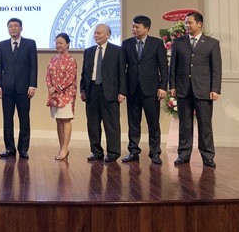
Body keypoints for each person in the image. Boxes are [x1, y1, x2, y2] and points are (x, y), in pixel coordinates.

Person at [169, 12, 222, 168]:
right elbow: (173, 66)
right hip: (183, 90)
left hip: (204, 90)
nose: (187, 25)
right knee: (184, 124)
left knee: (205, 124)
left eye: (190, 23)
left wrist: (215, 89)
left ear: (199, 24)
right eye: (186, 23)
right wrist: (172, 86)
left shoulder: (212, 43)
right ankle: (183, 155)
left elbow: (216, 68)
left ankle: (207, 156)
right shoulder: (179, 42)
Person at [121, 15, 168, 165]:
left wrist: (163, 86)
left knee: (153, 122)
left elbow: (163, 67)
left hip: (151, 89)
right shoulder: (126, 44)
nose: (133, 29)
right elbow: (122, 69)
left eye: (137, 27)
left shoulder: (157, 43)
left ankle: (155, 152)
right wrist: (122, 89)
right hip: (133, 88)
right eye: (133, 26)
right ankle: (133, 151)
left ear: (146, 28)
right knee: (133, 122)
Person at [80, 24, 126, 163]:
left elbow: (122, 73)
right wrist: (83, 90)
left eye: (99, 33)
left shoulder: (117, 51)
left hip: (110, 91)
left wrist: (122, 92)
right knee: (93, 123)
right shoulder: (88, 51)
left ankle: (113, 152)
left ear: (107, 35)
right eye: (95, 33)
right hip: (92, 90)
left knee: (111, 123)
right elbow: (85, 73)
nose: (96, 35)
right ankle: (96, 151)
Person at [0, 18, 38, 159]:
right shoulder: (2, 45)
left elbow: (33, 67)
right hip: (6, 89)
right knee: (7, 120)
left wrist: (32, 85)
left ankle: (23, 149)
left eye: (16, 26)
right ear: (8, 29)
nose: (13, 28)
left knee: (24, 119)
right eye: (10, 26)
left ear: (21, 28)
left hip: (24, 89)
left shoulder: (30, 44)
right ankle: (9, 148)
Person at [46, 33, 77, 161]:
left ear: (68, 44)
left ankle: (65, 147)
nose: (58, 45)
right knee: (58, 120)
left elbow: (70, 78)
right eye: (57, 43)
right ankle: (61, 147)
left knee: (66, 120)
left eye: (61, 43)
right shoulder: (53, 59)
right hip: (54, 95)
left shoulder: (71, 59)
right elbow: (48, 75)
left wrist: (57, 88)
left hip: (67, 94)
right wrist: (50, 88)